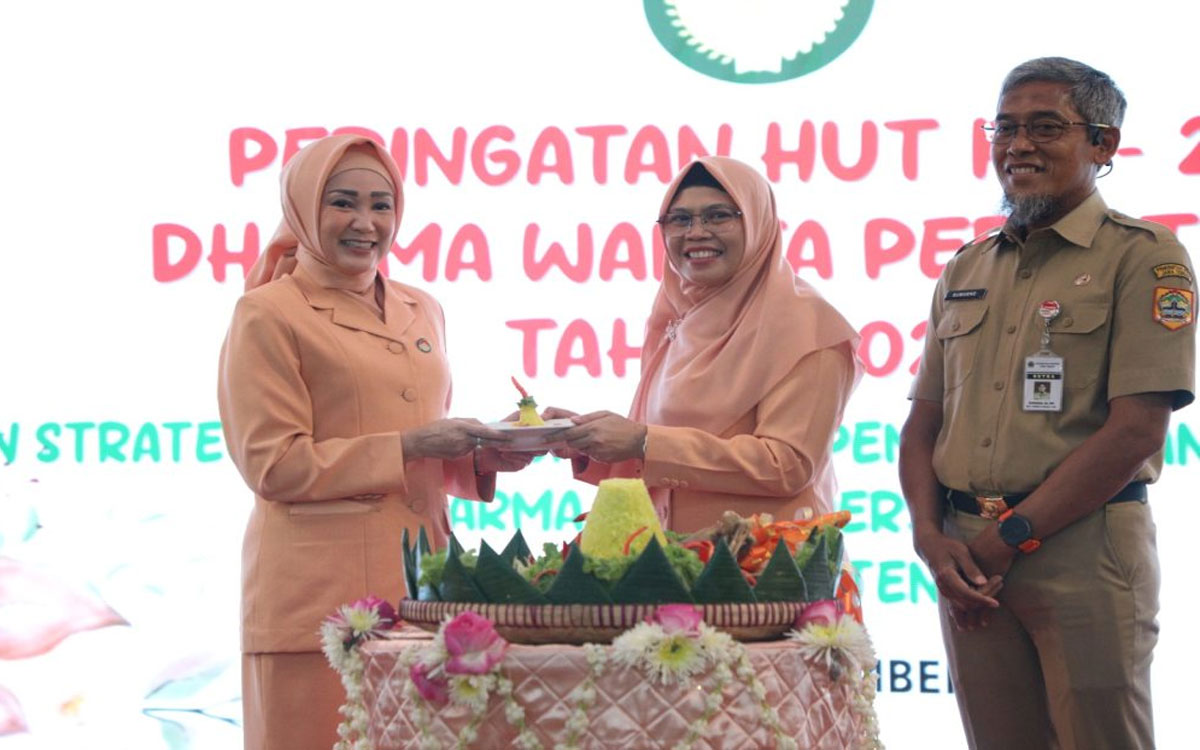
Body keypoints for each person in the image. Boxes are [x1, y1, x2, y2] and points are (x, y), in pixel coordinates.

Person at [899, 57, 1195, 750]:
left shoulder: (1145, 256)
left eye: (1045, 127)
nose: (1018, 145)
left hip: (1084, 551)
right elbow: (922, 425)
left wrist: (1010, 539)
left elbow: (1136, 433)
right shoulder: (967, 265)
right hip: (968, 559)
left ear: (1103, 144)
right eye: (1004, 128)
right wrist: (929, 539)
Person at [218, 134, 522, 750]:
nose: (366, 223)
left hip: (422, 590)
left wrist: (482, 455)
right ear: (304, 208)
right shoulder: (268, 313)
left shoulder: (421, 306)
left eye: (382, 205)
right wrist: (409, 444)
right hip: (317, 601)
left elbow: (417, 442)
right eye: (343, 203)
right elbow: (274, 464)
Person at [547, 156, 861, 533]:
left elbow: (787, 465)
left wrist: (644, 441)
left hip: (766, 558)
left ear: (757, 222)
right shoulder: (676, 319)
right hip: (675, 554)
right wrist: (584, 437)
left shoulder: (809, 326)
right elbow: (666, 456)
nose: (696, 232)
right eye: (680, 219)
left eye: (718, 216)